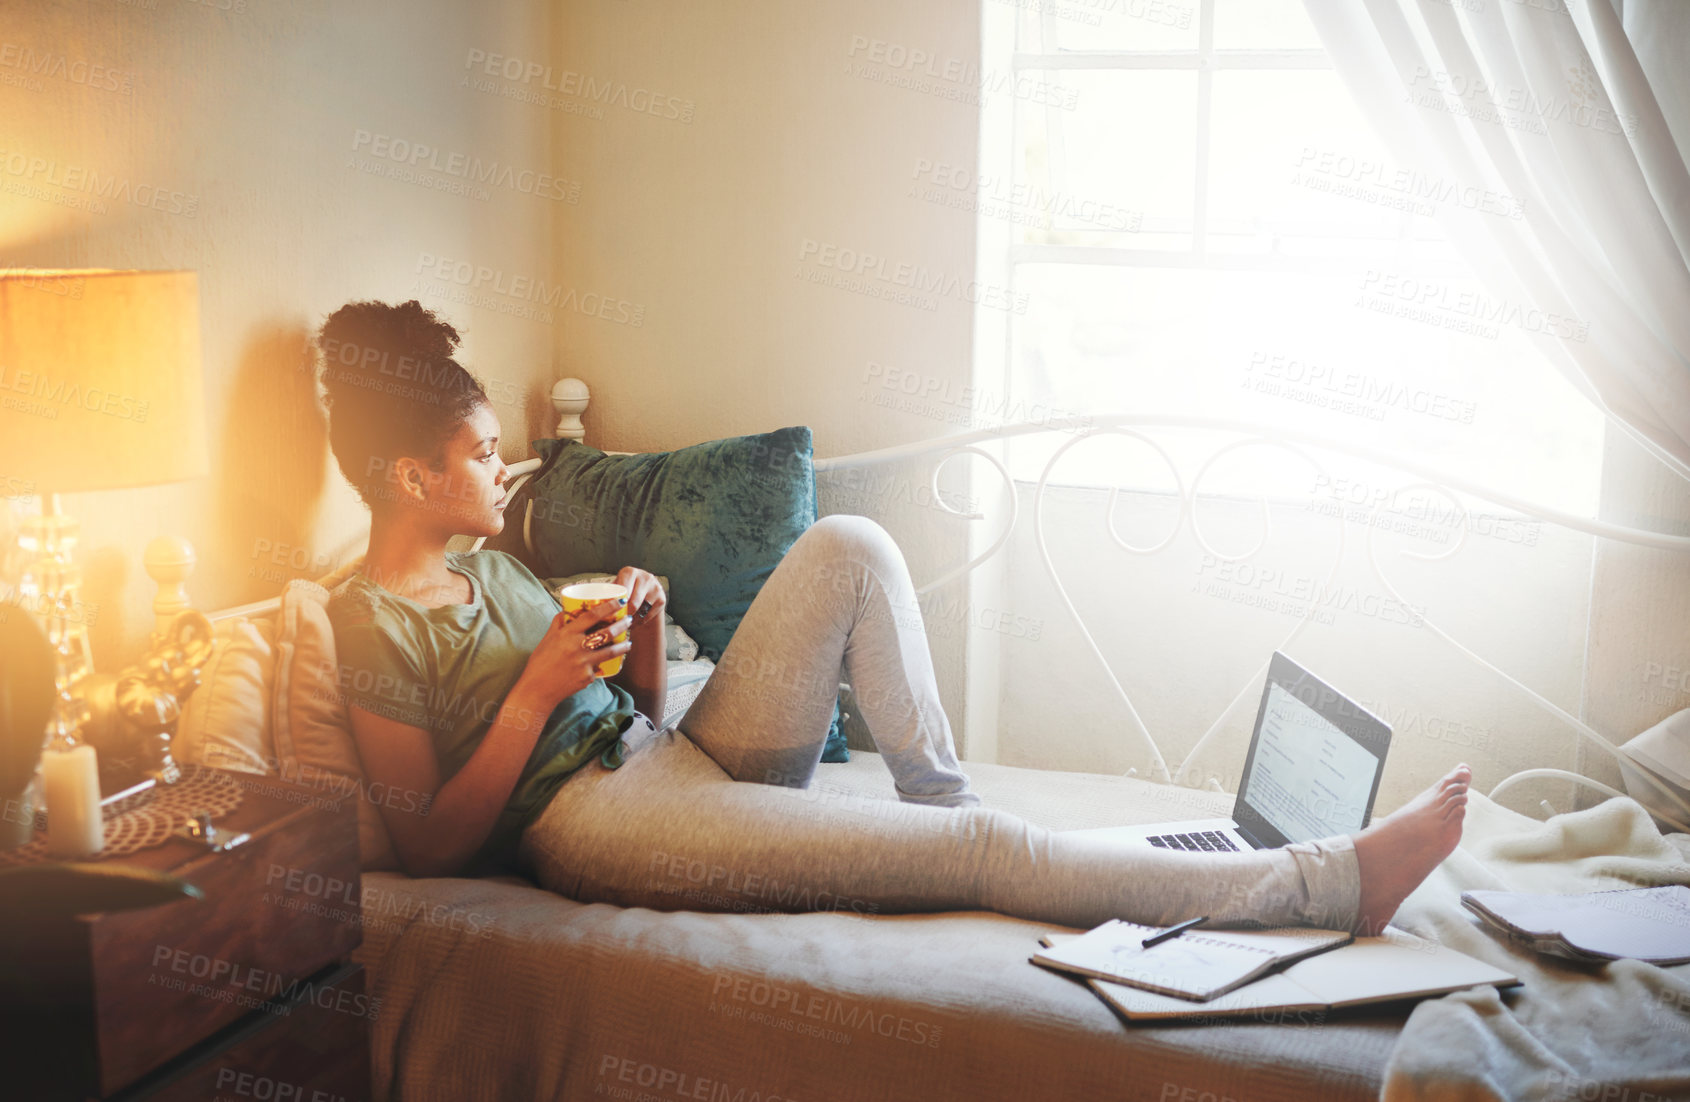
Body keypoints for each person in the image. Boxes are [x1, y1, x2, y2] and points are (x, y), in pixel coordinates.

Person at [318, 300, 1471, 935]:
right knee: (989, 857)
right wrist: (535, 689)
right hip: (590, 825)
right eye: (477, 454)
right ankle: (1334, 885)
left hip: (664, 755)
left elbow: (625, 710)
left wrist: (636, 643)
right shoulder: (371, 619)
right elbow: (423, 842)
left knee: (850, 546)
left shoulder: (498, 571)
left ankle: (943, 816)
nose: (502, 463)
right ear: (409, 480)